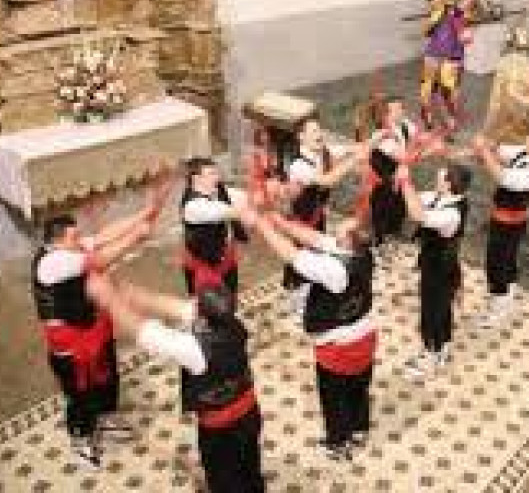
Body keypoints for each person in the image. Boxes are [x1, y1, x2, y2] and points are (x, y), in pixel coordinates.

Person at [85, 274, 264, 492]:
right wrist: (122, 288)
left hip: (222, 430)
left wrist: (109, 300)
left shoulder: (195, 349)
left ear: (202, 314)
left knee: (224, 479)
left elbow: (144, 332)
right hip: (249, 415)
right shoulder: (230, 321)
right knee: (249, 467)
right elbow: (165, 304)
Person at [31, 201, 161, 467]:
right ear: (56, 241)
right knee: (79, 391)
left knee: (108, 375)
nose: (80, 240)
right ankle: (81, 436)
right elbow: (100, 257)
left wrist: (141, 214)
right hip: (70, 340)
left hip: (93, 328)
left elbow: (103, 237)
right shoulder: (53, 262)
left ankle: (106, 416)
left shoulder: (69, 246)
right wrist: (136, 237)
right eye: (74, 237)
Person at [243, 209, 376, 461]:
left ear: (348, 239)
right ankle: (359, 428)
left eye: (342, 226)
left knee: (334, 397)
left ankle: (338, 443)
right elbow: (315, 238)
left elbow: (292, 256)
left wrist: (262, 225)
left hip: (339, 344)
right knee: (359, 388)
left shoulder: (334, 269)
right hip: (365, 334)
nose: (336, 226)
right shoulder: (361, 252)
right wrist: (281, 221)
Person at [396, 162, 472, 379]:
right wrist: (405, 186)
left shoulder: (452, 214)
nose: (436, 180)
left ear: (448, 184)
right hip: (437, 263)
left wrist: (405, 181)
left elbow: (419, 216)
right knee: (442, 308)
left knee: (432, 310)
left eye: (440, 177)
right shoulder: (443, 197)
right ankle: (443, 346)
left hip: (440, 268)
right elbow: (417, 200)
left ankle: (432, 355)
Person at [472, 130, 529, 326]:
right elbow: (501, 151)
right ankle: (507, 298)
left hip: (510, 222)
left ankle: (498, 309)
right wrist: (487, 145)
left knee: (496, 263)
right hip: (504, 219)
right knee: (507, 261)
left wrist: (484, 151)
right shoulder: (527, 153)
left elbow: (503, 177)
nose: (526, 141)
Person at [181, 157, 249, 307]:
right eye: (211, 173)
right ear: (196, 178)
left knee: (230, 301)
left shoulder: (218, 190)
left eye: (216, 173)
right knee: (208, 309)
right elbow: (230, 211)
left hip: (224, 257)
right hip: (203, 265)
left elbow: (241, 197)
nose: (217, 177)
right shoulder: (193, 206)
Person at [287, 117, 366, 232]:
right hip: (303, 223)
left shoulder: (323, 152)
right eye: (314, 131)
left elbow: (344, 149)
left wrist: (371, 141)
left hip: (319, 215)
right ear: (301, 137)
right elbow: (327, 180)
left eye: (320, 130)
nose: (319, 134)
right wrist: (354, 159)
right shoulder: (298, 165)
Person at [420, 0, 473, 131]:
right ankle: (428, 117)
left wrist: (464, 32)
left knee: (448, 90)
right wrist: (432, 20)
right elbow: (424, 31)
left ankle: (450, 118)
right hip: (433, 54)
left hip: (451, 57)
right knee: (427, 88)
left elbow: (466, 37)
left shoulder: (460, 14)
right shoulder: (437, 12)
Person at [368, 97, 418, 245]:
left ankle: (395, 229)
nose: (401, 111)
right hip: (383, 174)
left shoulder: (405, 125)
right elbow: (402, 156)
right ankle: (378, 235)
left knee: (400, 201)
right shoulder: (382, 134)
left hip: (399, 171)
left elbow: (417, 136)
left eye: (401, 108)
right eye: (396, 109)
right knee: (382, 202)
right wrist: (421, 150)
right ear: (386, 114)